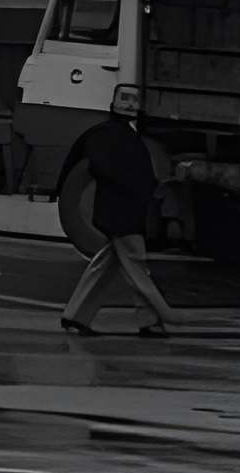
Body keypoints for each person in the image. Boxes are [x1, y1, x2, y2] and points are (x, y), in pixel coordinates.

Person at [61, 85, 178, 337]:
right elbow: (114, 172)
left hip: (118, 213)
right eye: (126, 99)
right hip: (124, 215)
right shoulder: (118, 137)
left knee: (105, 267)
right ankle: (154, 320)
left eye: (133, 99)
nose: (131, 104)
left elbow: (90, 165)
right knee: (137, 269)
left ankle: (75, 315)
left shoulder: (108, 134)